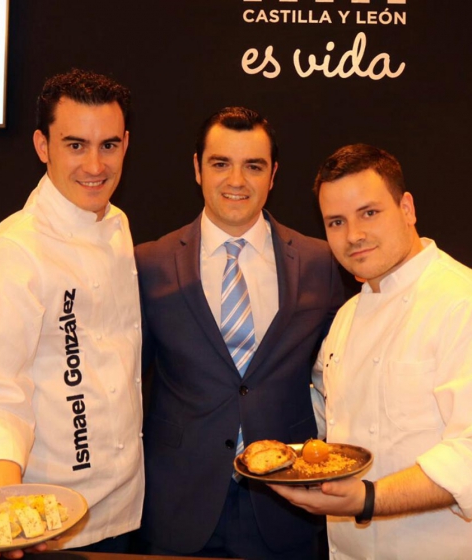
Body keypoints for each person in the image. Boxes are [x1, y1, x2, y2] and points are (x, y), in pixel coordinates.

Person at [270, 144, 472, 559]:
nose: (353, 235)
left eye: (369, 212)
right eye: (336, 221)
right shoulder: (347, 316)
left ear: (407, 208)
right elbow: (328, 416)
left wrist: (368, 498)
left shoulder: (470, 305)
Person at [134, 107, 345, 559]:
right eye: (220, 163)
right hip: (178, 503)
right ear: (197, 168)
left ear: (273, 175)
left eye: (253, 166)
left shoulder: (321, 263)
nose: (237, 180)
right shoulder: (149, 264)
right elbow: (124, 383)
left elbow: (343, 376)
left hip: (286, 504)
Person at [0, 69, 143, 556]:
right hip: (43, 522)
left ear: (126, 145)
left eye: (108, 146)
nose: (95, 165)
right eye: (75, 145)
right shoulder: (14, 251)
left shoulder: (118, 224)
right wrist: (5, 504)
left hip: (121, 507)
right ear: (42, 145)